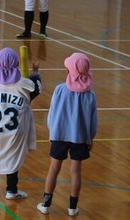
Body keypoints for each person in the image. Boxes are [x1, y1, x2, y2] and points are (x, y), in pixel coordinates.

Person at [37, 53, 97, 216]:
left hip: (59, 136)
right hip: (80, 138)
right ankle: (72, 207)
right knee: (76, 172)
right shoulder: (90, 95)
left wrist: (52, 133)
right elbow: (93, 121)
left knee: (54, 169)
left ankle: (46, 204)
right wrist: (90, 138)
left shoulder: (60, 90)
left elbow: (52, 114)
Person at [0, 48, 41, 200]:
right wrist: (35, 73)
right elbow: (36, 89)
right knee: (13, 158)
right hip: (15, 130)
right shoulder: (24, 84)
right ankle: (11, 190)